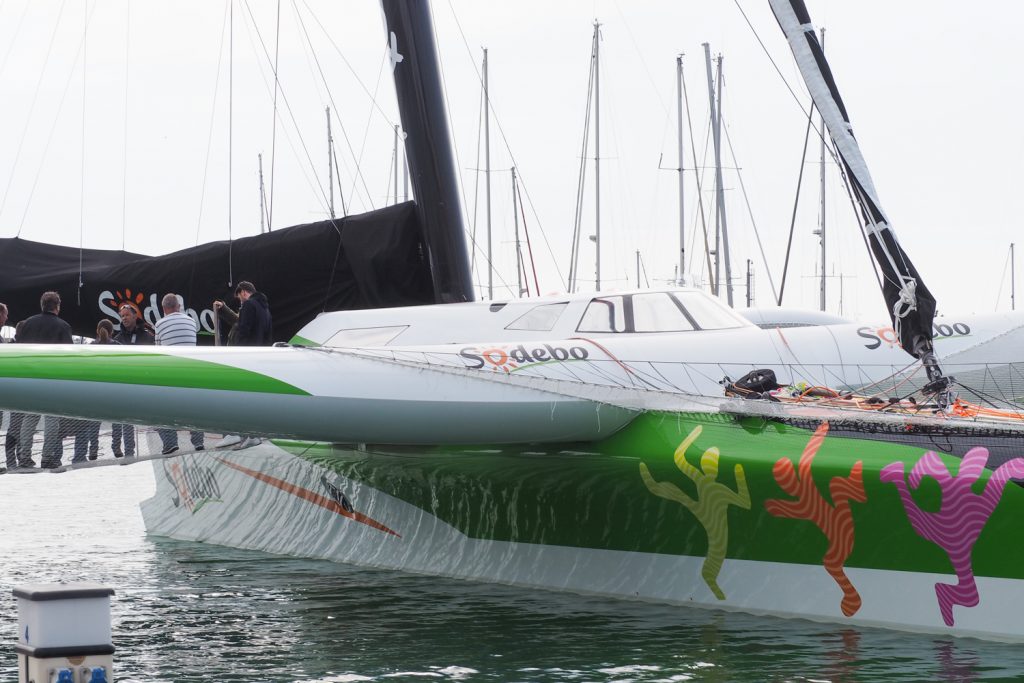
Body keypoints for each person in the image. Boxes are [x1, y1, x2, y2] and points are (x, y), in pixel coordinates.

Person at [17, 292, 73, 469]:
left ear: (42, 305)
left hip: (31, 377)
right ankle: (47, 458)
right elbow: (69, 357)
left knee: (29, 418)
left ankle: (24, 457)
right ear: (57, 306)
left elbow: (20, 351)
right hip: (53, 380)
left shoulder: (27, 324)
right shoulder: (63, 326)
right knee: (51, 419)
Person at [154, 293, 204, 455]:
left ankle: (170, 443)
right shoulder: (191, 321)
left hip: (170, 373)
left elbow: (158, 352)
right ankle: (198, 442)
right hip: (191, 372)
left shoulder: (159, 324)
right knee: (194, 408)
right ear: (178, 306)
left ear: (163, 309)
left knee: (161, 409)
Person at [229, 281, 272, 449]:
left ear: (244, 292)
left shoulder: (249, 306)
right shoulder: (265, 308)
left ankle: (249, 435)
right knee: (256, 399)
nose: (240, 300)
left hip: (246, 359)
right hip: (261, 359)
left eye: (239, 296)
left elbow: (243, 331)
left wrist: (237, 355)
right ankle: (257, 433)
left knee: (243, 400)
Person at [111, 304, 153, 457]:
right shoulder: (117, 339)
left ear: (135, 316)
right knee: (122, 417)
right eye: (122, 316)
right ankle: (124, 449)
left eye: (127, 315)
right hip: (123, 384)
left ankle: (167, 445)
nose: (124, 318)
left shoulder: (148, 336)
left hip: (143, 382)